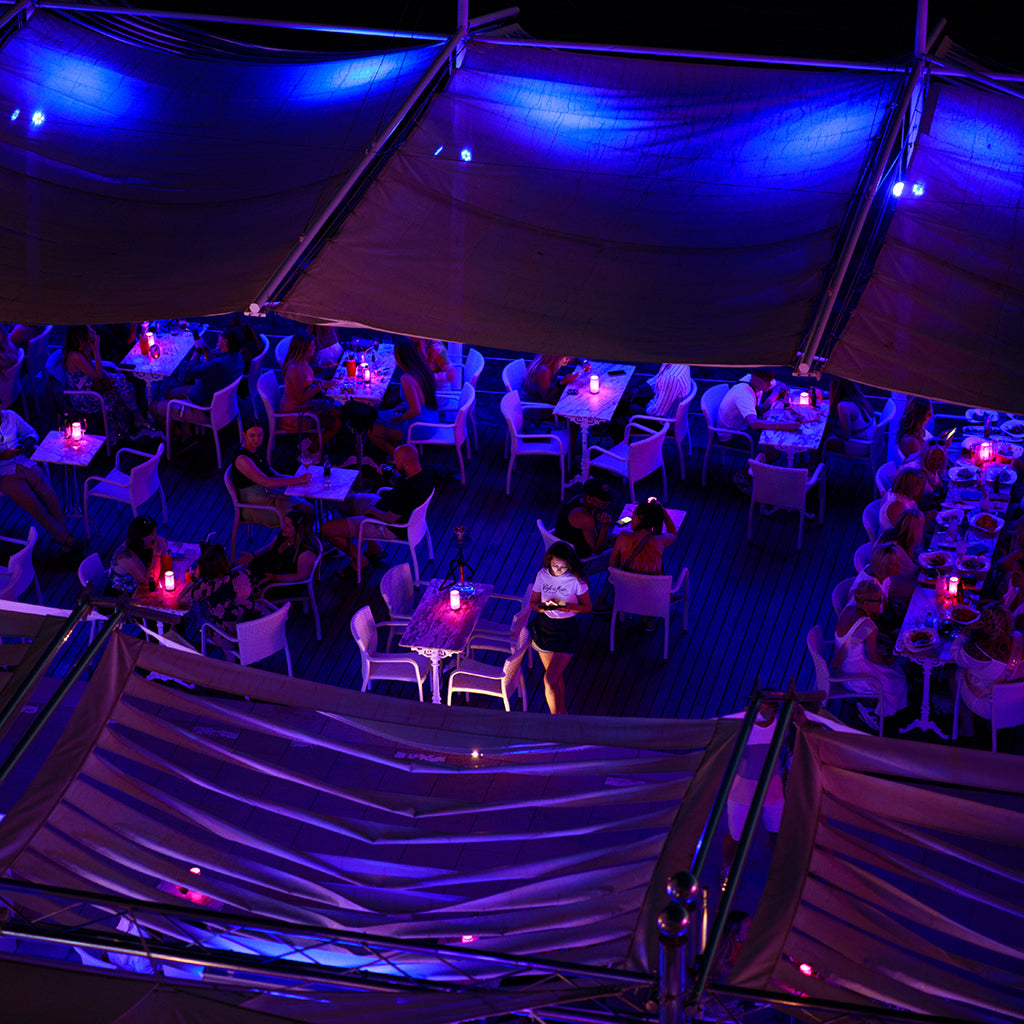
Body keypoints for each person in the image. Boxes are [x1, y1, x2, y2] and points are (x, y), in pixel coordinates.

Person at [321, 444, 434, 578]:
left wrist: (373, 511)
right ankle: (374, 549)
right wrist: (390, 476)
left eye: (396, 461)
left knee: (326, 529)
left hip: (386, 526)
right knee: (343, 503)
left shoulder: (410, 492)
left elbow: (390, 518)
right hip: (385, 505)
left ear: (407, 464)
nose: (393, 462)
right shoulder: (424, 472)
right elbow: (402, 484)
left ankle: (360, 561)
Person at [831, 577, 908, 730]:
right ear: (866, 604)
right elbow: (874, 657)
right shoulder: (867, 626)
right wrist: (888, 659)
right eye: (879, 601)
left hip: (844, 665)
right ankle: (872, 710)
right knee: (898, 680)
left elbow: (853, 642)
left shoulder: (848, 610)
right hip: (854, 674)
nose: (882, 604)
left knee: (896, 672)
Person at [63, 325, 155, 444]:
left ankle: (130, 425)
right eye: (89, 330)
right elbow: (98, 374)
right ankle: (125, 429)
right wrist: (96, 350)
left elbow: (95, 373)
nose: (93, 331)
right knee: (118, 392)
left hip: (91, 387)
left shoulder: (82, 350)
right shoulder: (75, 356)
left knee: (120, 382)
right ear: (80, 336)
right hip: (83, 397)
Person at [529, 541, 592, 714]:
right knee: (555, 678)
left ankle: (555, 722)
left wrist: (569, 606)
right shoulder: (542, 575)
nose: (558, 570)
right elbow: (533, 603)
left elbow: (587, 607)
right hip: (545, 628)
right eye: (555, 565)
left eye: (563, 567)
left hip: (566, 631)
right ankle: (562, 715)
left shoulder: (575, 580)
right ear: (549, 561)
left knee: (549, 679)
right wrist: (544, 606)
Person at [0, 406, 75, 552]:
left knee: (49, 494)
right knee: (34, 504)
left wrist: (25, 445)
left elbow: (31, 433)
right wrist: (2, 456)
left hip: (23, 462)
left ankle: (62, 537)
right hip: (4, 473)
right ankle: (67, 539)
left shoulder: (10, 416)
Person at [150, 324, 245, 428]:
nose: (218, 336)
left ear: (225, 341)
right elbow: (214, 367)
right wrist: (205, 348)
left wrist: (198, 351)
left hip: (201, 408)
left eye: (220, 335)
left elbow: (188, 373)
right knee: (169, 393)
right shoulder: (237, 358)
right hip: (214, 400)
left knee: (152, 407)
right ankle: (186, 429)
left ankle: (179, 436)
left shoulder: (219, 365)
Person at [951, 603, 1023, 740]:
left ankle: (967, 726)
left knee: (955, 673)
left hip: (992, 706)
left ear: (984, 624)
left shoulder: (980, 650)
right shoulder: (1021, 637)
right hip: (1018, 705)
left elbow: (955, 653)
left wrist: (967, 630)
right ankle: (992, 726)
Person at [230, 423, 312, 525]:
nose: (257, 439)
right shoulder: (242, 459)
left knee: (308, 508)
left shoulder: (257, 449)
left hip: (270, 494)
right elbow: (265, 482)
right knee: (304, 514)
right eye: (252, 436)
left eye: (260, 435)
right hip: (258, 505)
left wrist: (298, 480)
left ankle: (302, 537)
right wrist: (297, 480)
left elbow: (274, 474)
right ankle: (293, 538)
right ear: (244, 435)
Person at [369, 339, 439, 457]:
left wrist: (400, 418)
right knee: (378, 416)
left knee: (371, 430)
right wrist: (403, 409)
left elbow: (416, 409)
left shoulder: (407, 379)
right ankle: (399, 446)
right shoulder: (423, 368)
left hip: (418, 426)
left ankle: (398, 457)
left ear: (400, 358)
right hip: (432, 418)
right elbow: (420, 400)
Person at [280, 332, 342, 455]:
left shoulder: (302, 361)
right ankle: (311, 452)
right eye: (312, 346)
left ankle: (314, 439)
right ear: (303, 349)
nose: (315, 348)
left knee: (338, 411)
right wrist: (321, 386)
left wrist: (320, 367)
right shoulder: (294, 369)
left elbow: (306, 378)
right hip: (295, 413)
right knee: (336, 423)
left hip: (307, 405)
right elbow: (300, 398)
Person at [182, 543, 260, 633]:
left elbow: (181, 599)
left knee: (204, 619)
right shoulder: (244, 573)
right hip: (253, 628)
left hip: (229, 637)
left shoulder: (206, 587)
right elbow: (258, 594)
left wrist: (195, 577)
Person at [239, 505, 319, 593]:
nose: (283, 527)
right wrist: (253, 555)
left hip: (286, 583)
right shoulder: (284, 535)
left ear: (298, 531)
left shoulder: (306, 551)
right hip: (271, 572)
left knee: (242, 588)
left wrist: (275, 578)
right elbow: (270, 547)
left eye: (288, 526)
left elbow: (301, 577)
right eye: (284, 523)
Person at [609, 499, 677, 575]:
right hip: (653, 586)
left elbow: (613, 565)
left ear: (637, 520)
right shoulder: (659, 540)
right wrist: (664, 514)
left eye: (633, 516)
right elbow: (673, 534)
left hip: (627, 585)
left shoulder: (622, 537)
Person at [107, 514, 167, 595]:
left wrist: (162, 548)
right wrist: (157, 553)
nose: (156, 536)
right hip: (123, 597)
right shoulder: (126, 556)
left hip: (138, 587)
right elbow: (150, 580)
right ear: (141, 538)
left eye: (155, 532)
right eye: (152, 534)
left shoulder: (142, 545)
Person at [555, 476, 614, 558]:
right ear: (589, 498)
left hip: (566, 547)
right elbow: (597, 550)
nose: (608, 501)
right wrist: (605, 527)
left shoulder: (579, 498)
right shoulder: (584, 517)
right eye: (603, 498)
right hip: (576, 560)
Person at [825, 378, 875, 452]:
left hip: (860, 446)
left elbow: (845, 436)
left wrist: (829, 427)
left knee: (820, 439)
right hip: (870, 441)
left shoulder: (844, 406)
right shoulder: (857, 395)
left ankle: (814, 463)